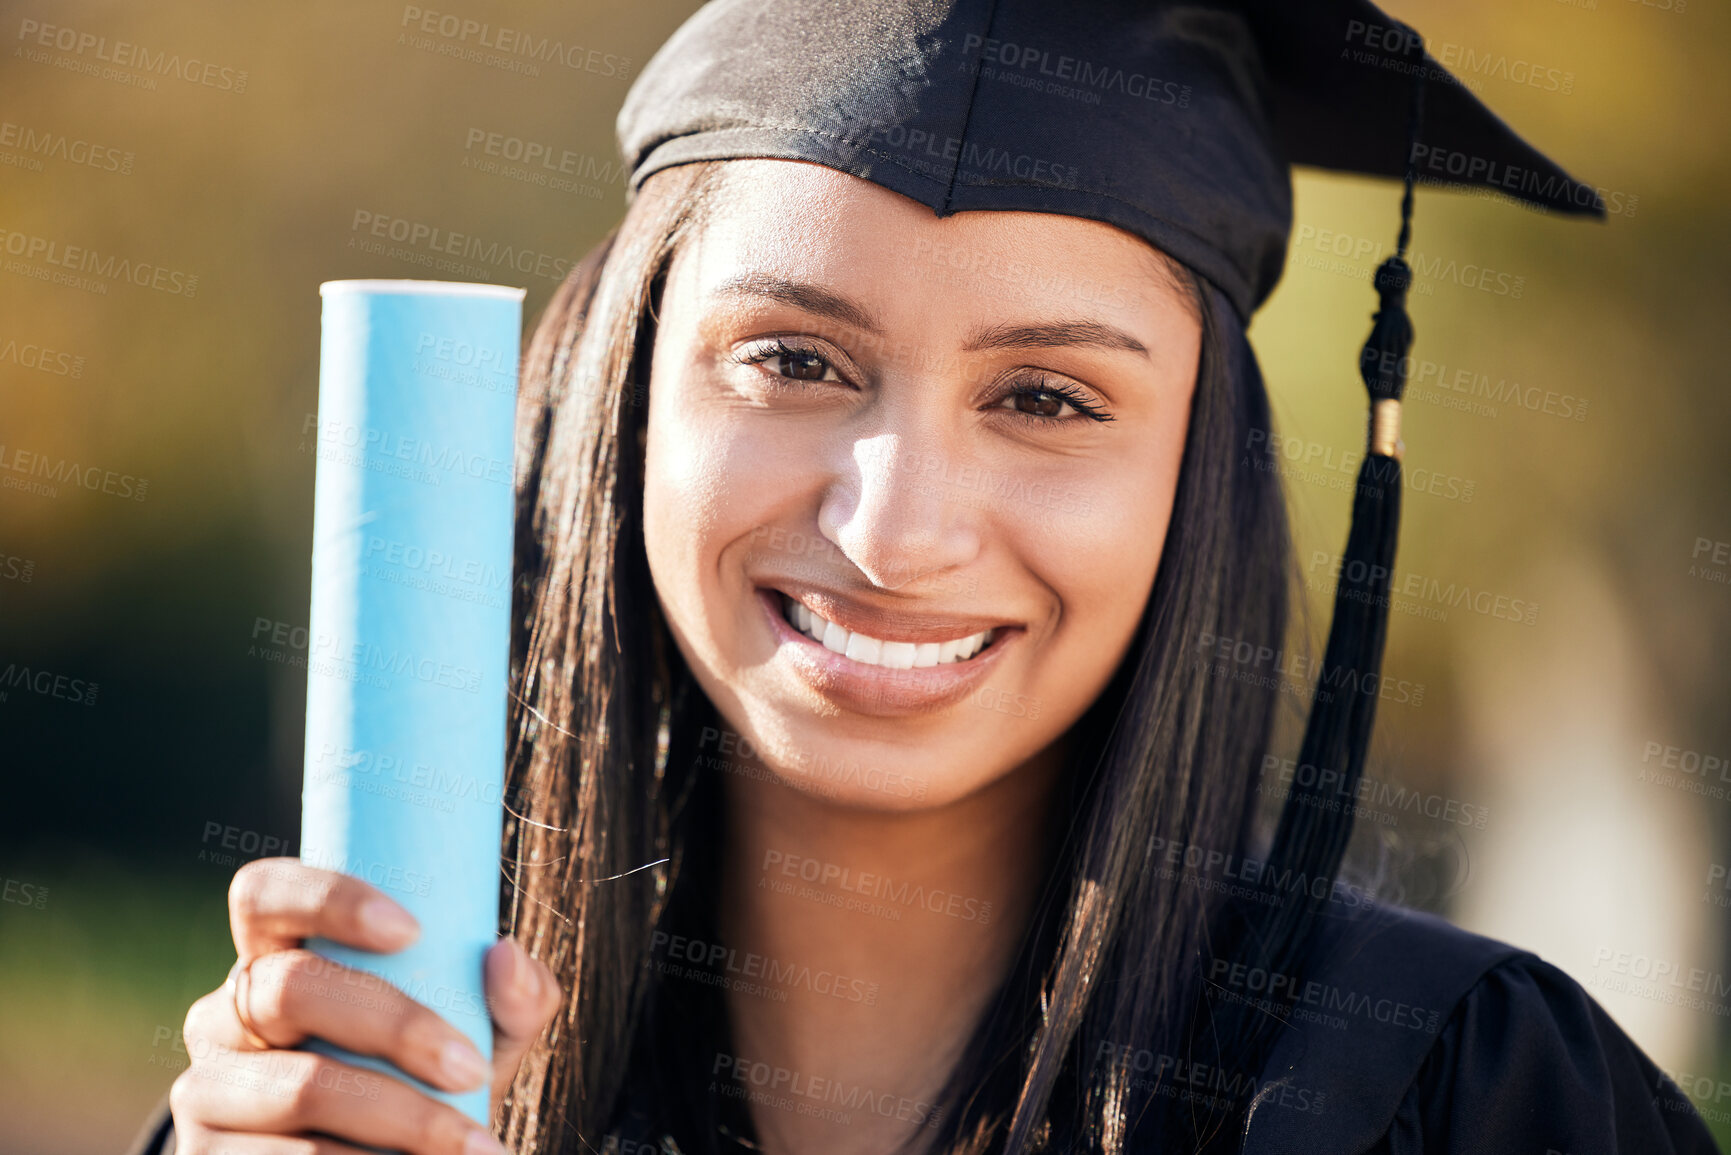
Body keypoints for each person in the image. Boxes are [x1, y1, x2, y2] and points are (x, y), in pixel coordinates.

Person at [129, 1, 1721, 1153]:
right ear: (625, 401)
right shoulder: (370, 1077)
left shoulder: (1465, 1097)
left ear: (1199, 469)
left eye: (1047, 398)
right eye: (793, 360)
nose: (896, 532)